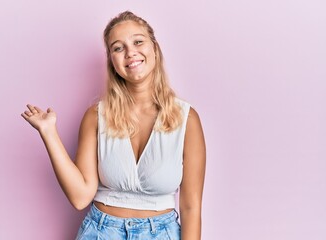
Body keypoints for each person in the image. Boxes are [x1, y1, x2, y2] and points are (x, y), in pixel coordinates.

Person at [21, 11, 206, 240]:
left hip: (162, 233)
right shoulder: (95, 117)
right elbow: (80, 197)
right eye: (118, 48)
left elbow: (191, 207)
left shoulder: (187, 119)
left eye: (138, 42)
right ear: (112, 62)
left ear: (154, 49)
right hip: (100, 231)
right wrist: (49, 133)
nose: (130, 52)